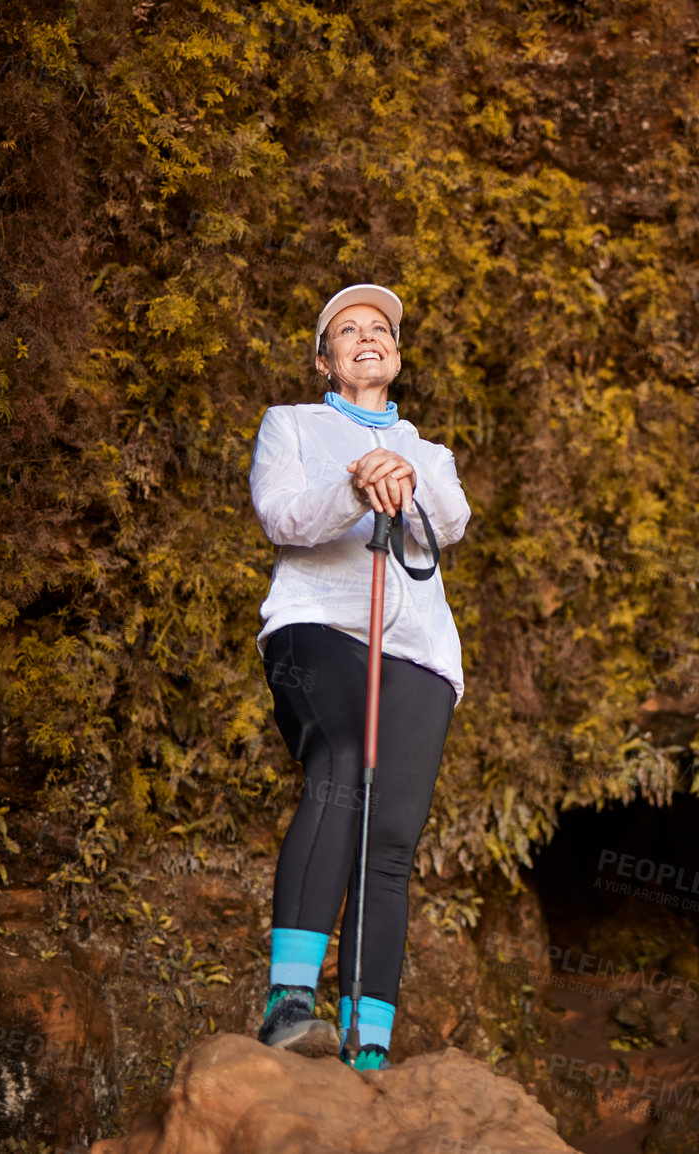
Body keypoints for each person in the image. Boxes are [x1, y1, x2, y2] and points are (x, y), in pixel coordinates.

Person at [246, 283, 470, 1070]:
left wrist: (397, 469)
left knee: (394, 838)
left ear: (396, 354)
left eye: (380, 329)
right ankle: (290, 1000)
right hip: (320, 626)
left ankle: (368, 1037)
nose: (367, 336)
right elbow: (281, 517)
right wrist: (352, 480)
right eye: (348, 330)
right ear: (325, 358)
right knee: (340, 761)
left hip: (419, 653)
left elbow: (449, 524)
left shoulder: (429, 451)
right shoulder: (292, 426)